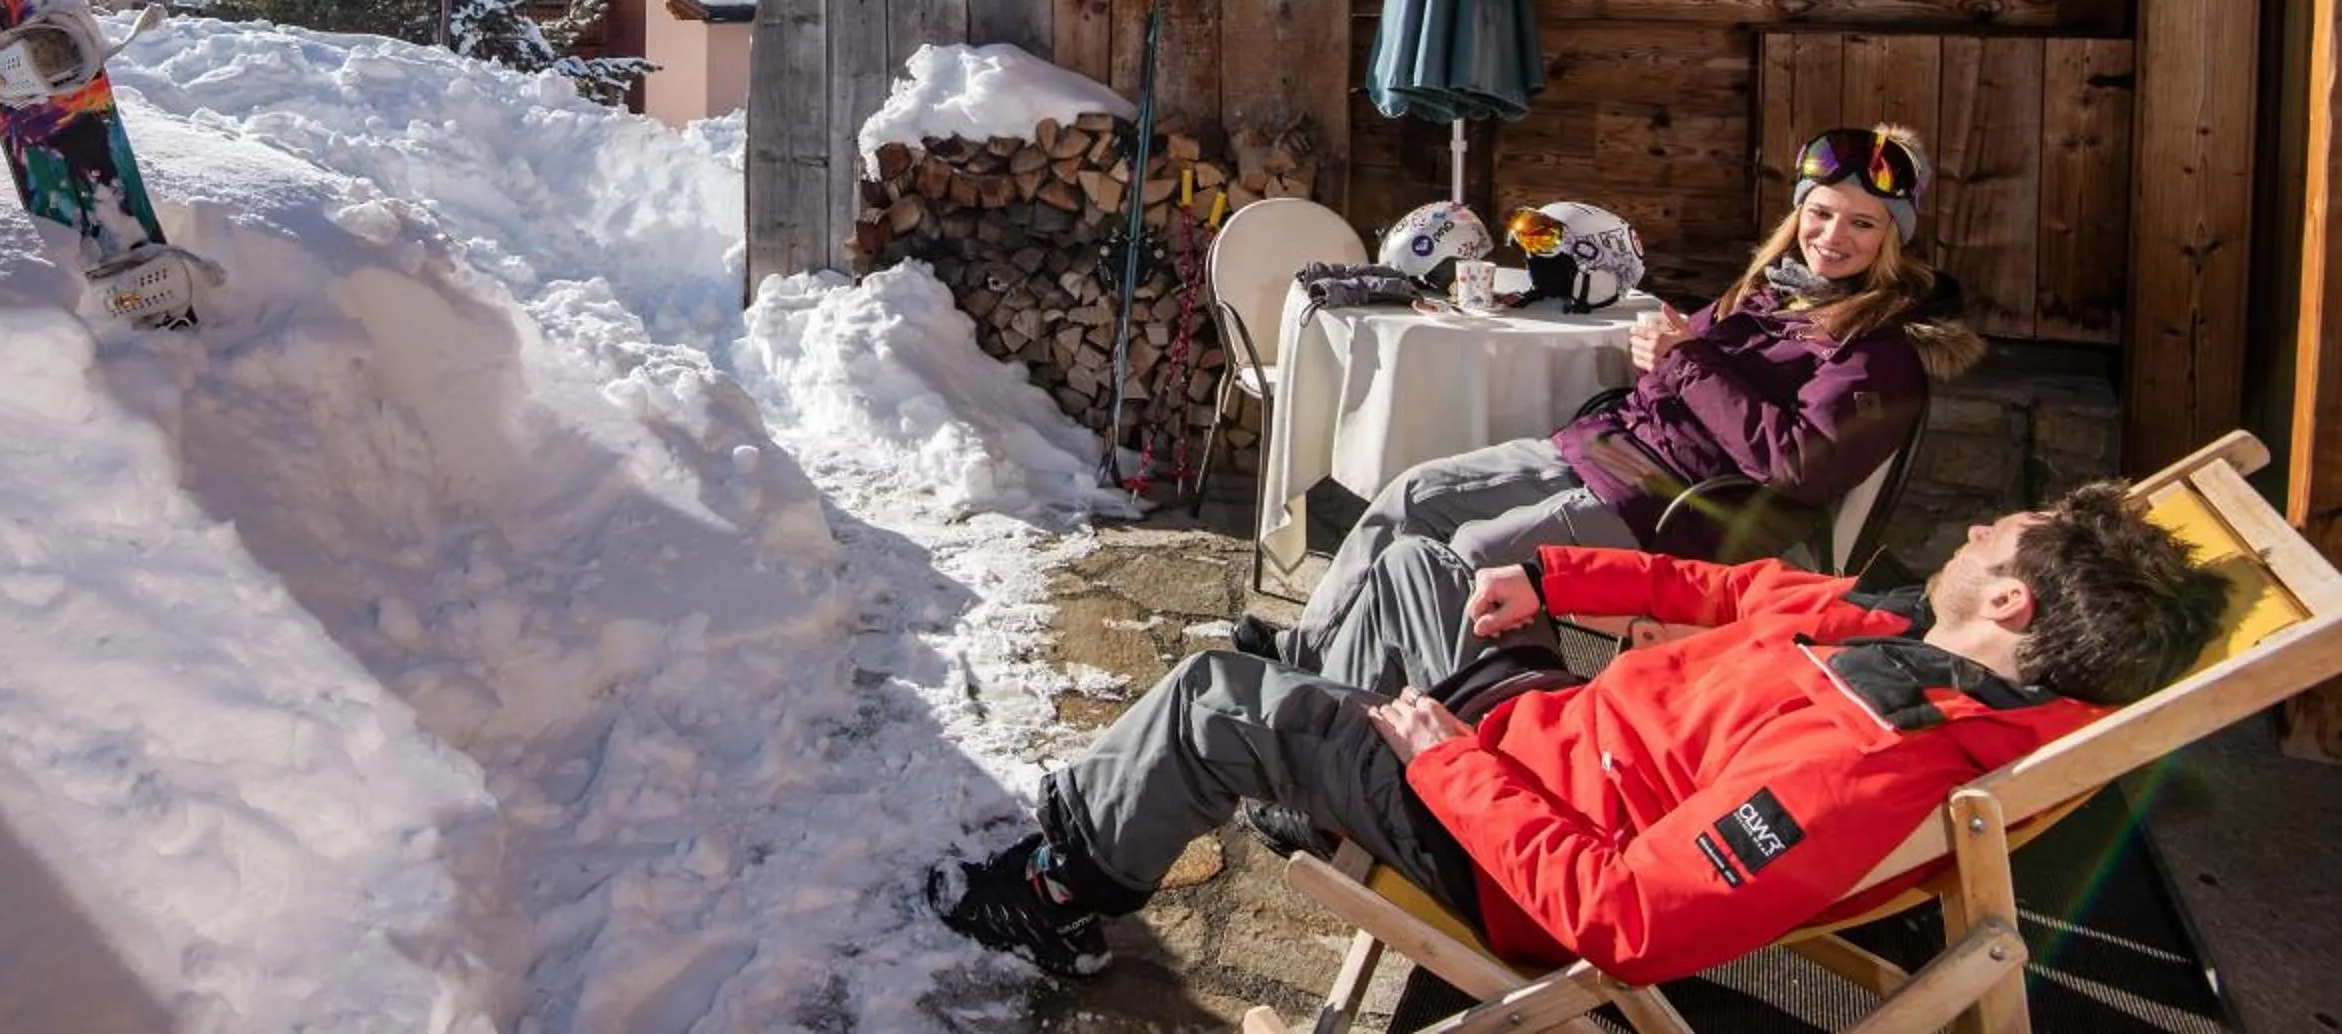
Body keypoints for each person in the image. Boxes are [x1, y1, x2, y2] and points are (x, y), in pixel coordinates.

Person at [927, 484, 2227, 984]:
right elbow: (1731, 588)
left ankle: (1058, 891)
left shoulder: (1864, 762)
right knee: (1408, 553)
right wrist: (1552, 581)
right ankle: (1301, 756)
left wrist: (1439, 757)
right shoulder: (1894, 631)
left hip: (1504, 849)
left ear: (2012, 602)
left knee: (1220, 695)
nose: (1992, 517)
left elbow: (1619, 919)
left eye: (2016, 529)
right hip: (1544, 734)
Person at [1249, 123, 1980, 676]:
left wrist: (1684, 361)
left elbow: (1793, 464)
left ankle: (1434, 718)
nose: (1832, 236)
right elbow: (1677, 369)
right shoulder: (1773, 291)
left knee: (1470, 557)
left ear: (1893, 240)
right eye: (1820, 213)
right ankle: (1308, 657)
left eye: (1862, 222)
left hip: (1678, 507)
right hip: (1611, 452)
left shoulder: (1882, 352)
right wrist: (1665, 358)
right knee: (1412, 495)